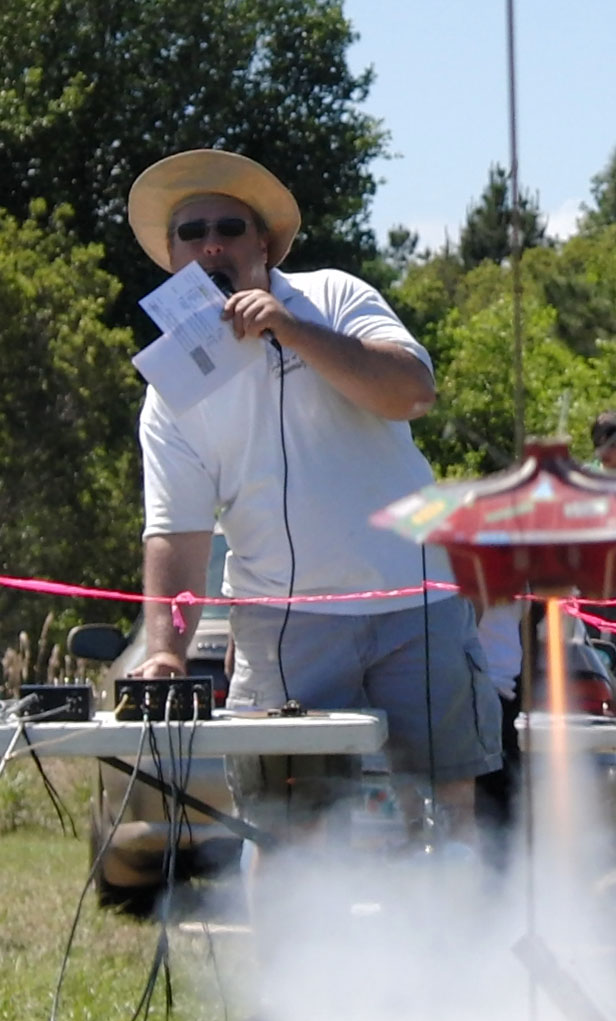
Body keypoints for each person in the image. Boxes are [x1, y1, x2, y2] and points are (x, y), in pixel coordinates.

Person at [126, 149, 502, 853]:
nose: (212, 244)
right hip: (284, 623)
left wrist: (292, 329)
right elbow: (176, 534)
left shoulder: (333, 295)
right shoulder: (170, 390)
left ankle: (455, 925)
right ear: (173, 259)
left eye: (230, 228)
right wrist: (167, 653)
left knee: (446, 809)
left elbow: (412, 392)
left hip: (417, 601)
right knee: (283, 831)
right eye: (192, 232)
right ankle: (294, 935)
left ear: (263, 245)